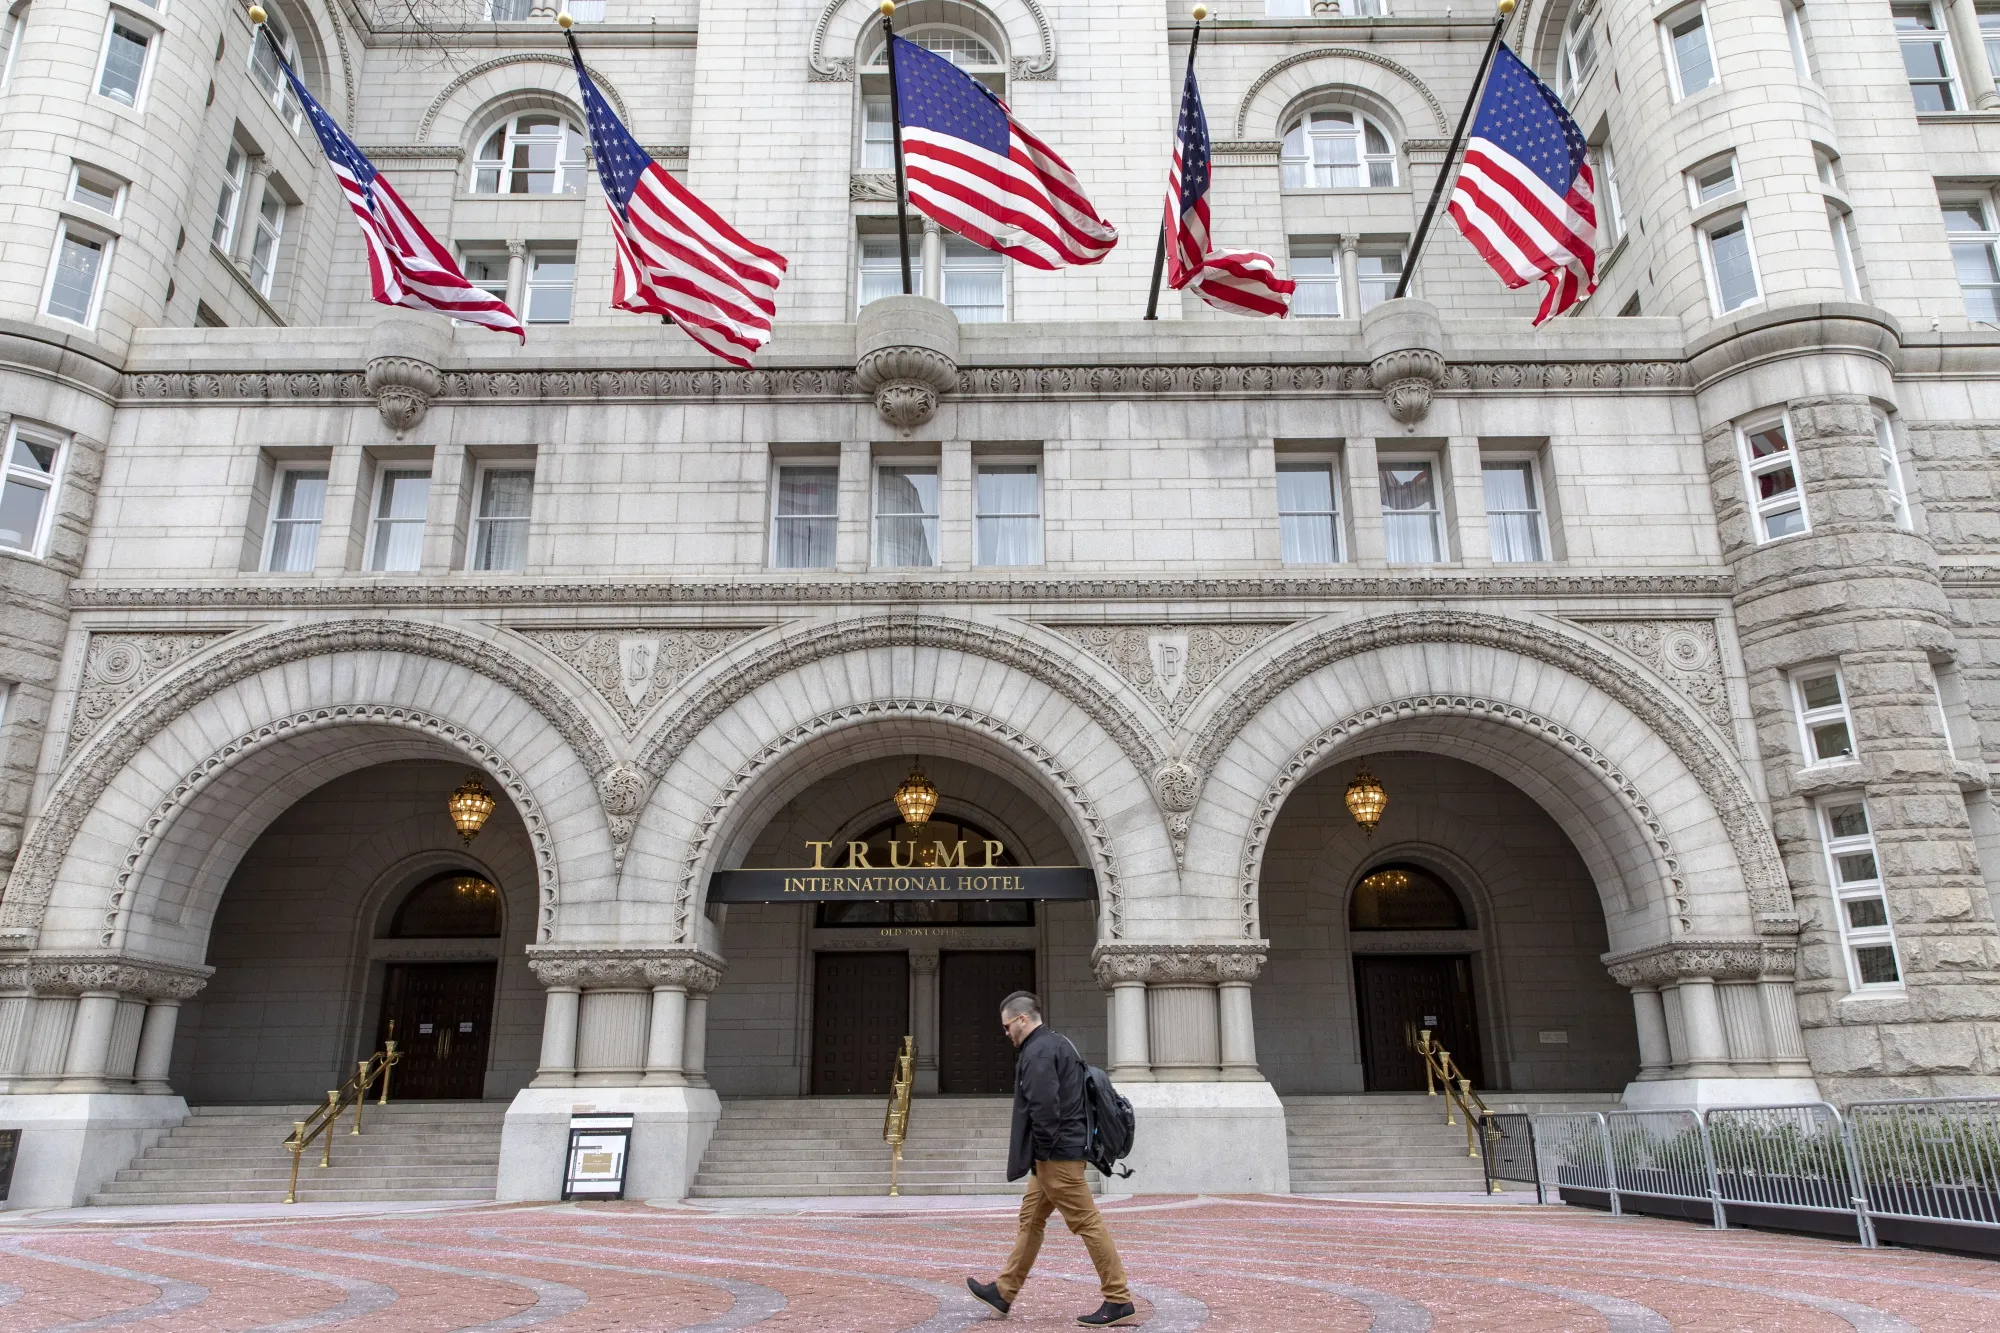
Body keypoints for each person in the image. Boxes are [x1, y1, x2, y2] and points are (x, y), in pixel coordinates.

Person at [967, 991, 1137, 1327]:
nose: (1006, 1033)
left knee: (1087, 1222)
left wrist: (1042, 1152)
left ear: (1022, 1019)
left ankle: (1118, 1299)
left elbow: (1045, 1108)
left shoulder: (1039, 1052)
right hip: (1055, 1153)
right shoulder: (1058, 1043)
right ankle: (1004, 1291)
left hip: (1056, 1155)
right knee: (1031, 1220)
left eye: (1007, 1026)